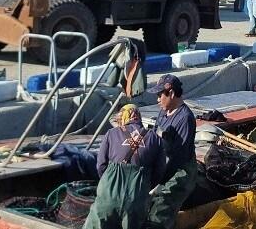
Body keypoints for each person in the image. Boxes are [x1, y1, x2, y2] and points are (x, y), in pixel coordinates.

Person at [84, 104, 165, 229]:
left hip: (109, 194)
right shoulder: (156, 139)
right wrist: (143, 186)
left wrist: (109, 182)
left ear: (124, 116)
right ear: (138, 116)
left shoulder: (111, 133)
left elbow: (100, 165)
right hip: (137, 197)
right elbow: (159, 172)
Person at [146, 74, 198, 229]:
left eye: (159, 95)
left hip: (180, 171)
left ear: (172, 93)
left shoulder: (185, 119)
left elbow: (178, 159)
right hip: (163, 163)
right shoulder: (164, 111)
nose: (157, 100)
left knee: (162, 202)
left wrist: (159, 182)